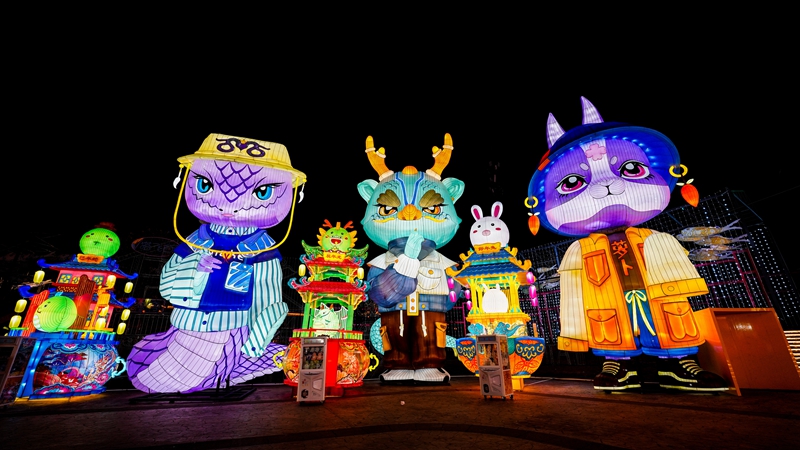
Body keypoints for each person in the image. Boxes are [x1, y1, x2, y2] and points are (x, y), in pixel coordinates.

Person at [526, 97, 727, 392]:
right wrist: (573, 329)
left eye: (630, 167)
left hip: (658, 298)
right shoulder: (579, 250)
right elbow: (572, 295)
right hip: (607, 307)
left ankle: (678, 362)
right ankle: (617, 364)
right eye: (571, 183)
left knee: (668, 320)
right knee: (611, 327)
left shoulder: (654, 238)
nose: (606, 184)